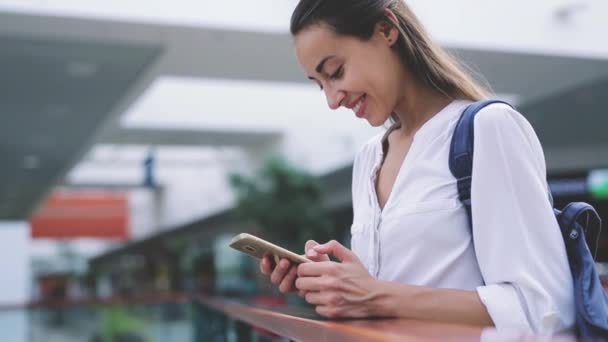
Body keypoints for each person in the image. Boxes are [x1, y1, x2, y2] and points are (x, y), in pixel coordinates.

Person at [259, 0, 574, 334]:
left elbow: (543, 307)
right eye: (320, 84)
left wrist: (374, 296)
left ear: (386, 30)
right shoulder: (368, 159)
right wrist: (336, 286)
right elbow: (383, 299)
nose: (332, 100)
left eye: (336, 72)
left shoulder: (488, 128)